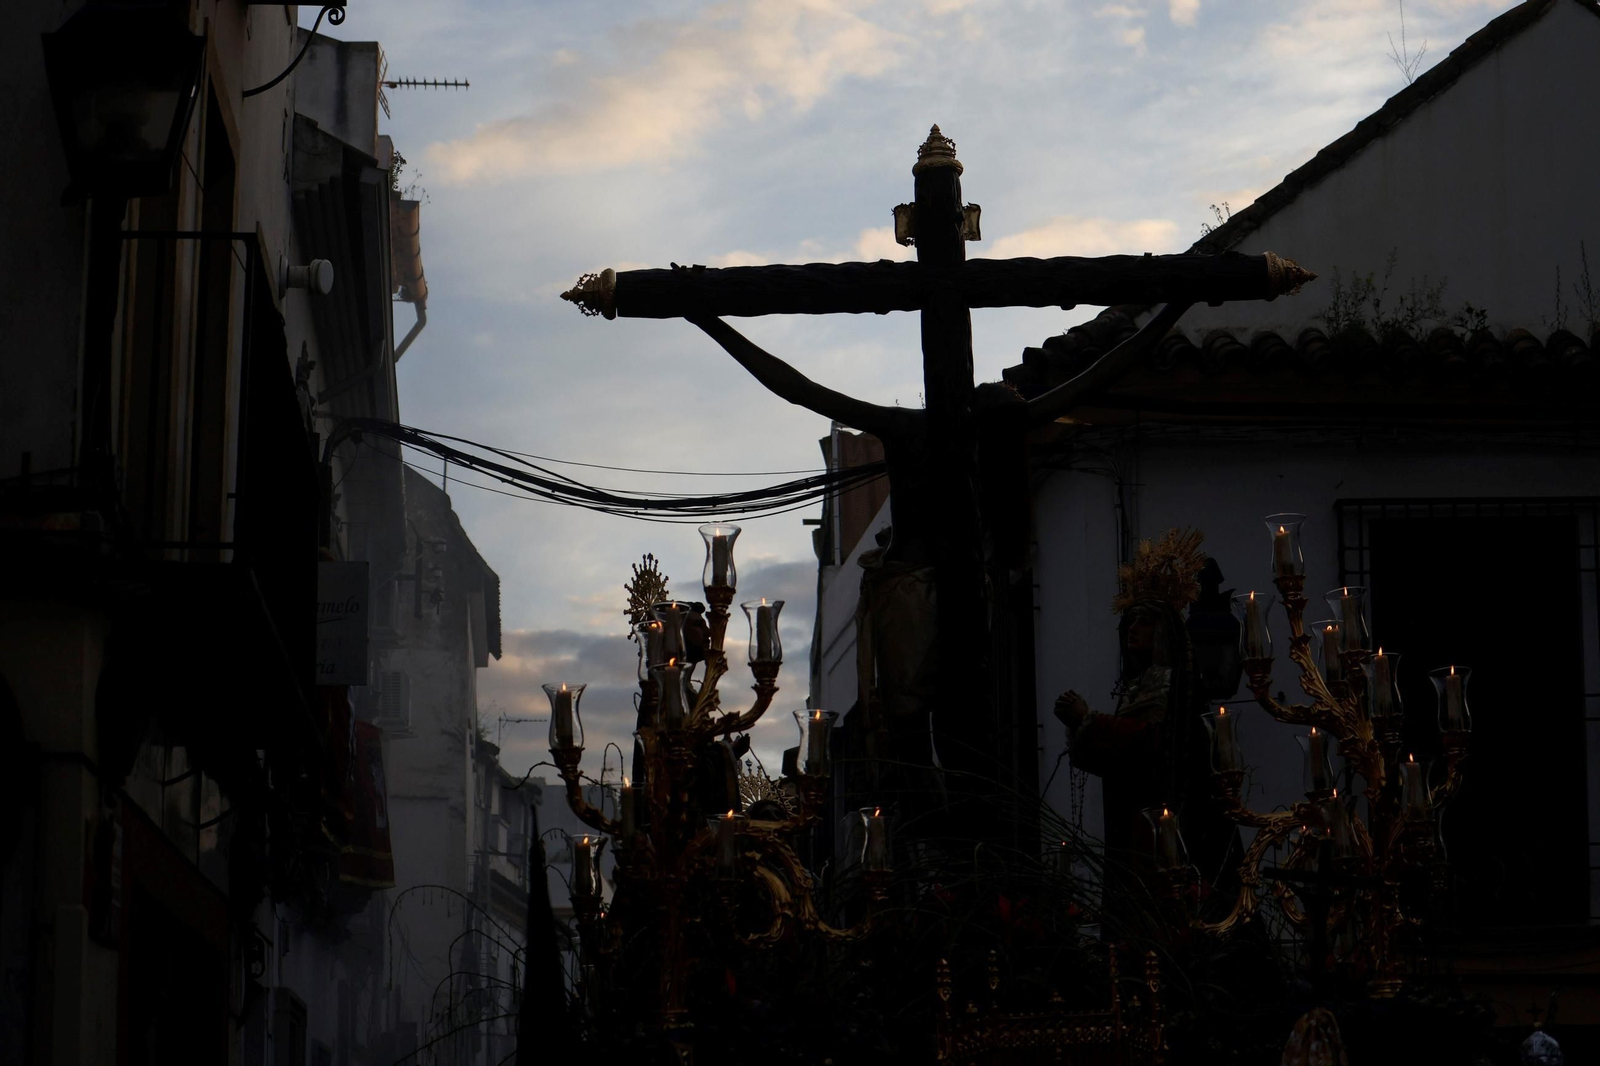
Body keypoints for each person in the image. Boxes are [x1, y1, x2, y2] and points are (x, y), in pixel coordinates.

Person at [1054, 529, 1240, 926]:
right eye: (1130, 622)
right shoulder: (1139, 689)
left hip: (1175, 826)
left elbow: (1152, 745)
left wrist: (1090, 720)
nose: (1132, 630)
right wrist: (1084, 731)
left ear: (1164, 631)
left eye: (1143, 622)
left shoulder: (1177, 687)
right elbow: (1124, 754)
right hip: (1134, 829)